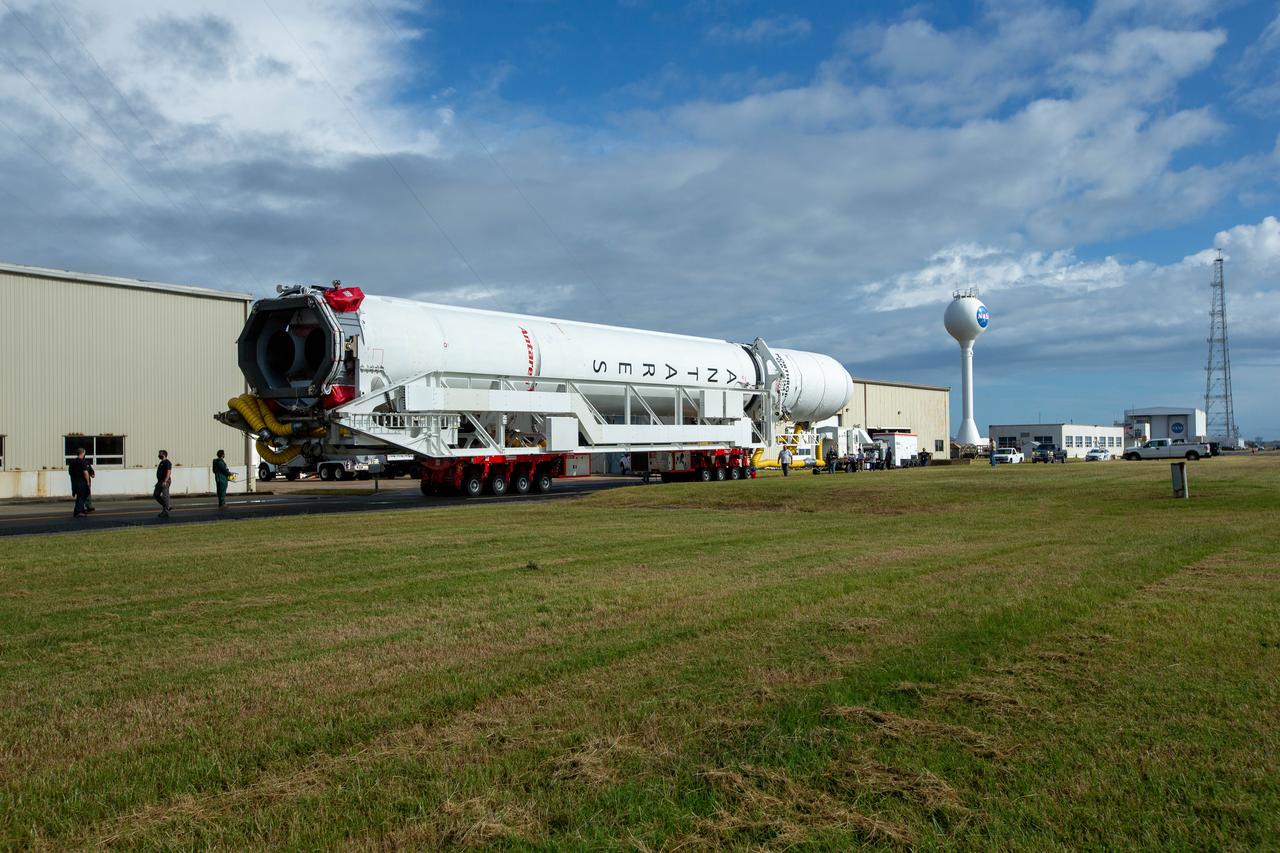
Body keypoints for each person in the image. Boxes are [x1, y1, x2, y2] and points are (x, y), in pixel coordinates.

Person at [68, 447, 91, 518]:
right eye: (84, 453)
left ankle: (78, 511)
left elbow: (70, 473)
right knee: (82, 497)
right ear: (82, 453)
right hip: (82, 482)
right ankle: (79, 512)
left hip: (74, 482)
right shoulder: (82, 462)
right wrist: (87, 482)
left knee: (79, 496)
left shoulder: (72, 462)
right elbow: (85, 472)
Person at [155, 449, 173, 518]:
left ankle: (165, 512)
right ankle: (167, 506)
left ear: (164, 455)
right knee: (156, 494)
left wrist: (165, 481)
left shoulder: (167, 462)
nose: (159, 455)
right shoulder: (161, 462)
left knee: (165, 496)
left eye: (160, 454)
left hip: (165, 481)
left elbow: (169, 472)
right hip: (159, 482)